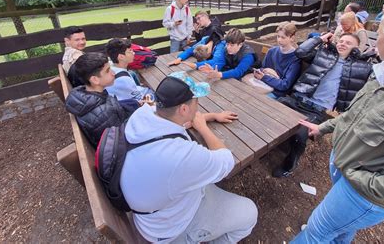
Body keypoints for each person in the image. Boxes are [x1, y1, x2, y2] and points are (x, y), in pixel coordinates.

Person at [292, 0, 384, 243]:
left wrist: (358, 178)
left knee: (315, 232)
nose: (374, 34)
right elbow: (356, 114)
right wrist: (323, 128)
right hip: (347, 172)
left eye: (381, 30)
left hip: (364, 194)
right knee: (339, 230)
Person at [120, 76, 258, 243]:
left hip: (153, 209)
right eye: (196, 101)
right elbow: (226, 161)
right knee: (250, 212)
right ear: (184, 109)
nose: (198, 105)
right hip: (169, 229)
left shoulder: (145, 114)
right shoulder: (181, 155)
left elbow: (179, 123)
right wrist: (204, 128)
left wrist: (213, 115)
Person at [272, 32, 372, 177]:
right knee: (270, 112)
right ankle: (268, 144)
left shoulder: (360, 67)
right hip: (297, 99)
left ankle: (290, 164)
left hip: (315, 110)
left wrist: (376, 55)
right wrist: (319, 39)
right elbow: (301, 52)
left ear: (356, 49)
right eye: (341, 41)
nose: (343, 44)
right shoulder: (323, 54)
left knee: (300, 136)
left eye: (348, 43)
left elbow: (383, 74)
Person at [65, 52, 140, 148]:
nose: (113, 73)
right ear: (95, 80)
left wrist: (135, 104)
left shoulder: (85, 94)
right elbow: (121, 141)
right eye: (108, 70)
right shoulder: (104, 113)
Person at [253, 22, 301, 99]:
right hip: (264, 86)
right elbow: (262, 69)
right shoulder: (272, 51)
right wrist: (267, 71)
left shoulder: (295, 59)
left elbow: (285, 85)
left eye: (283, 37)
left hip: (277, 93)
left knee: (257, 99)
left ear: (292, 38)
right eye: (278, 36)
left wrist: (266, 76)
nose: (279, 40)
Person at [190, 28, 258, 80]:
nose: (228, 47)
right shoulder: (225, 49)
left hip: (249, 75)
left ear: (240, 44)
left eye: (232, 45)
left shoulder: (248, 55)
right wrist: (212, 69)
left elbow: (238, 71)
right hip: (232, 74)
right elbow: (220, 62)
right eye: (227, 44)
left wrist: (219, 74)